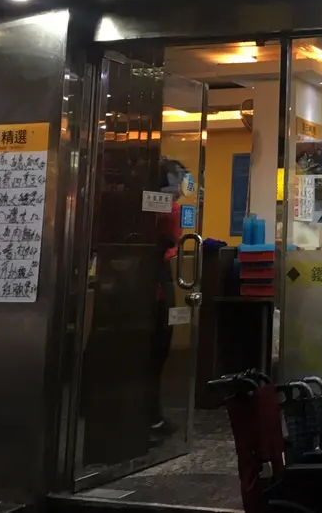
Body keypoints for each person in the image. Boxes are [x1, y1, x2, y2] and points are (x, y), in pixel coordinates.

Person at [149, 157, 187, 441]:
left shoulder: (146, 207)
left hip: (147, 282)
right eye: (181, 179)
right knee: (156, 352)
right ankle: (151, 417)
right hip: (157, 283)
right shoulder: (170, 209)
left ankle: (151, 415)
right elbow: (171, 240)